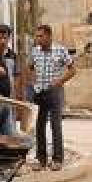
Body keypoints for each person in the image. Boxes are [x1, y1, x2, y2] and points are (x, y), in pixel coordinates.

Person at [28, 24, 75, 170]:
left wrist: (60, 81)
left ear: (49, 36)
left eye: (40, 36)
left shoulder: (61, 50)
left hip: (55, 92)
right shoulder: (35, 51)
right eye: (37, 36)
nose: (38, 39)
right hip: (39, 92)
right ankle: (41, 159)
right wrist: (33, 82)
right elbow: (30, 67)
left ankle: (57, 160)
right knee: (39, 126)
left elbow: (72, 70)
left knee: (56, 125)